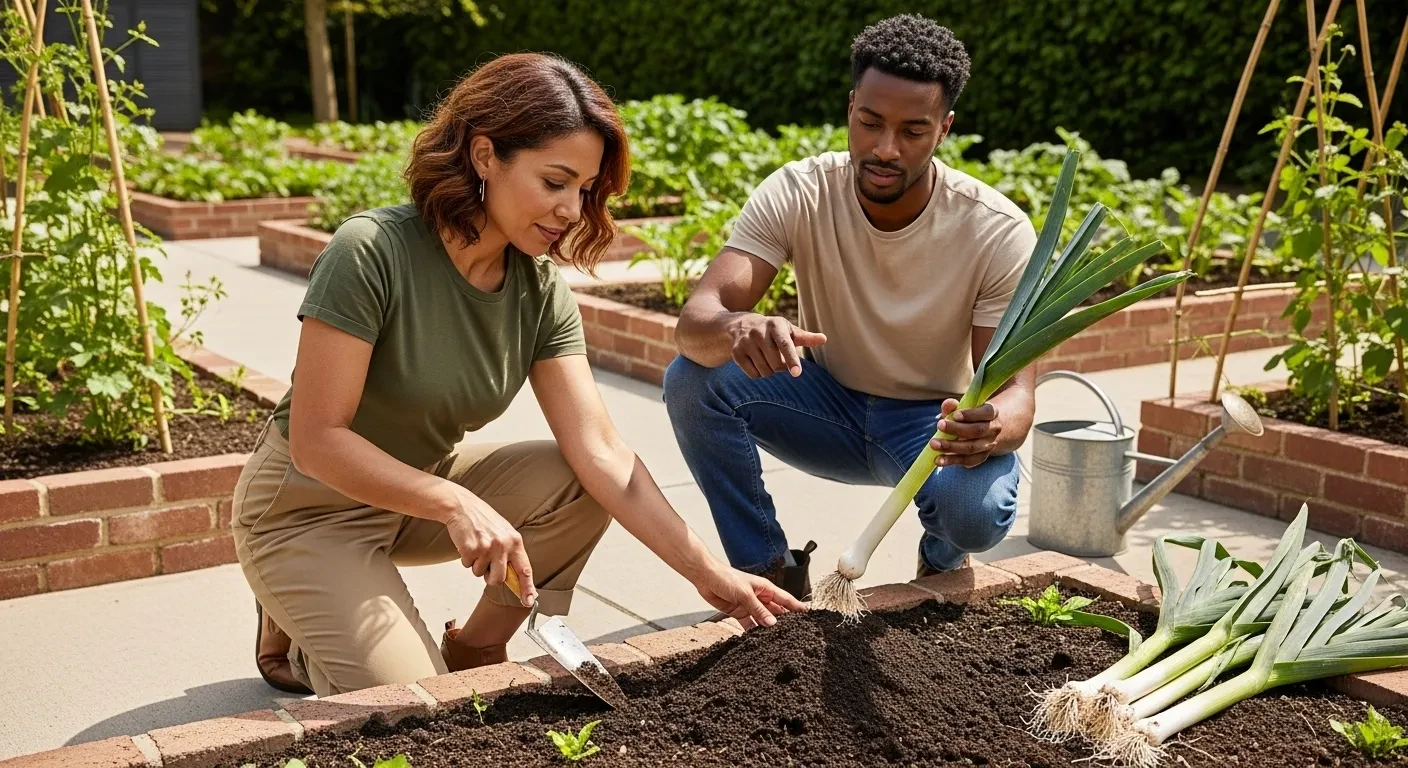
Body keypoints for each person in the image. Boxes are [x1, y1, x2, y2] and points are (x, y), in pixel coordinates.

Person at [233, 52, 804, 697]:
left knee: (580, 480)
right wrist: (454, 501)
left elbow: (603, 454)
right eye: (555, 181)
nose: (571, 209)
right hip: (307, 508)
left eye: (584, 190)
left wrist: (713, 579)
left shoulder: (537, 288)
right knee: (413, 709)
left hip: (412, 493)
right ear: (485, 156)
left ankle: (476, 643)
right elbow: (318, 440)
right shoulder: (372, 251)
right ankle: (298, 609)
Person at [663, 14, 1038, 600]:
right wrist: (738, 326)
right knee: (693, 380)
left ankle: (941, 558)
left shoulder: (994, 230)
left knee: (974, 509)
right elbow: (695, 324)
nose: (884, 149)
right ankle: (767, 575)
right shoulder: (799, 191)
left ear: (945, 128)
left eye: (913, 131)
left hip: (929, 424)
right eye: (869, 123)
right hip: (823, 402)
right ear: (850, 108)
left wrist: (993, 428)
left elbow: (1016, 392)